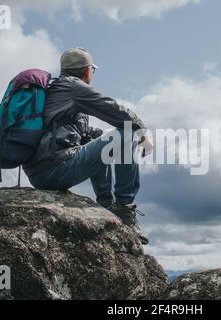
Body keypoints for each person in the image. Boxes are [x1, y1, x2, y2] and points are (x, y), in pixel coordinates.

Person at [23, 48, 153, 245]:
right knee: (127, 132)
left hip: (40, 172)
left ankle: (106, 204)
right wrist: (142, 131)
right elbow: (114, 110)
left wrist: (99, 137)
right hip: (56, 169)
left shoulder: (56, 89)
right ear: (86, 71)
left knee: (98, 137)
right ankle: (124, 207)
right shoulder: (74, 88)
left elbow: (80, 133)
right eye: (93, 70)